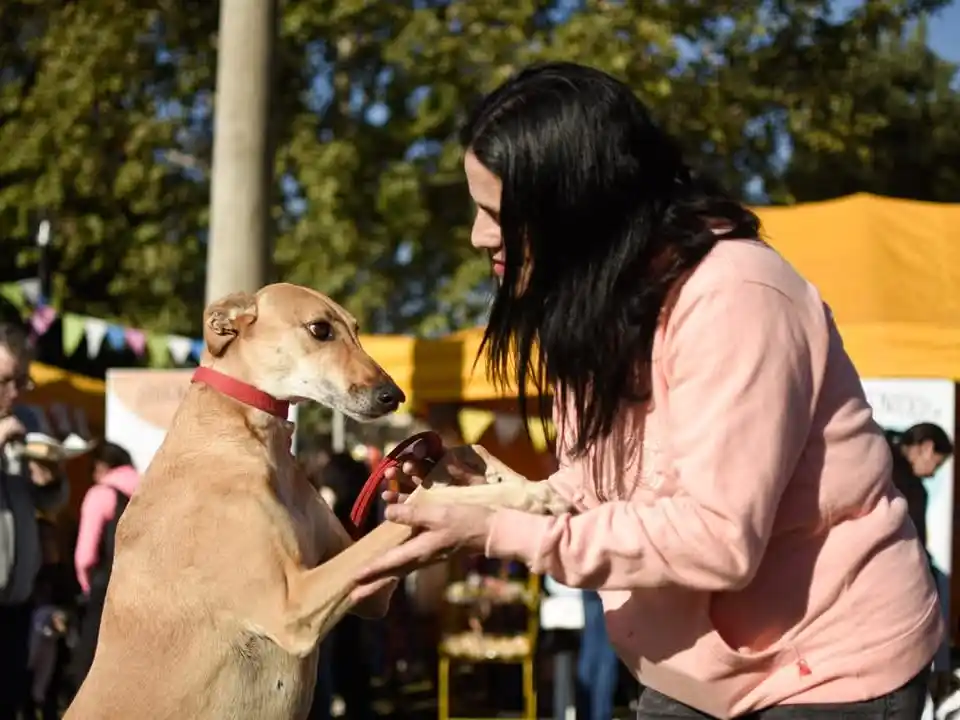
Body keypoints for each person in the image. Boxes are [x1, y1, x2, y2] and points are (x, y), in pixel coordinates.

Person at [353, 62, 942, 718]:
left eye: (500, 213)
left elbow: (717, 539)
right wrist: (511, 493)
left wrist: (499, 529)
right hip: (695, 673)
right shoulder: (601, 306)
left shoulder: (734, 296)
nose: (478, 236)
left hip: (824, 674)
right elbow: (615, 490)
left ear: (579, 203)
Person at [0, 321, 68, 720]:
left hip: (17, 602)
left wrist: (52, 478)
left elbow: (50, 503)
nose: (14, 393)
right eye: (6, 380)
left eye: (22, 381)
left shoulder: (28, 418)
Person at [69, 440, 140, 690]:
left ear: (101, 465)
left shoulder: (101, 494)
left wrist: (87, 585)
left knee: (90, 667)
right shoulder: (148, 492)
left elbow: (85, 556)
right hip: (145, 589)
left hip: (106, 588)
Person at [886, 422, 953, 551]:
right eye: (937, 464)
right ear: (927, 448)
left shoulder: (872, 442)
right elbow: (916, 546)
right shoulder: (915, 492)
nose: (932, 474)